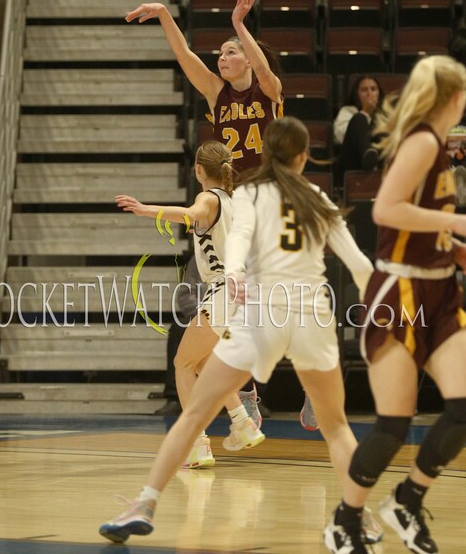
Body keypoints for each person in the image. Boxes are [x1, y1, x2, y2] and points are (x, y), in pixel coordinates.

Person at [99, 116, 383, 546]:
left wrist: (231, 275)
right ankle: (362, 518)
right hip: (312, 316)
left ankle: (145, 502)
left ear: (265, 155)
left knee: (194, 406)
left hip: (259, 308)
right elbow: (361, 266)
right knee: (338, 427)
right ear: (306, 157)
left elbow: (235, 253)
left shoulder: (249, 194)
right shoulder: (319, 198)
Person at [125, 0, 314, 428]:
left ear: (248, 58)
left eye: (230, 54)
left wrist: (239, 26)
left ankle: (307, 377)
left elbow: (266, 72)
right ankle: (244, 387)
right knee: (228, 298)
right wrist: (164, 16)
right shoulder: (217, 95)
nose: (221, 59)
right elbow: (186, 56)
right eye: (222, 54)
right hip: (233, 210)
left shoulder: (269, 92)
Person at [325, 55, 466, 554]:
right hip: (401, 294)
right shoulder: (423, 141)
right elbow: (386, 210)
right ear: (454, 96)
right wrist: (453, 224)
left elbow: (430, 223)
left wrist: (455, 243)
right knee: (393, 424)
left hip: (442, 289)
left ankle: (408, 499)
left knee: (462, 407)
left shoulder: (442, 148)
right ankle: (346, 519)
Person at [116, 140, 264, 468]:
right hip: (242, 294)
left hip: (224, 292)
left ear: (198, 170)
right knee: (203, 365)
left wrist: (145, 209)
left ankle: (198, 445)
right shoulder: (234, 202)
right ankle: (242, 424)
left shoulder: (208, 198)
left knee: (182, 365)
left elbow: (190, 215)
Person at [334, 75, 385, 179]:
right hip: (353, 164)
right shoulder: (347, 111)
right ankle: (368, 155)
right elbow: (340, 137)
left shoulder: (384, 115)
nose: (369, 94)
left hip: (380, 163)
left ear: (379, 93)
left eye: (373, 89)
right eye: (364, 90)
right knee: (359, 119)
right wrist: (365, 112)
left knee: (381, 124)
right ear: (356, 94)